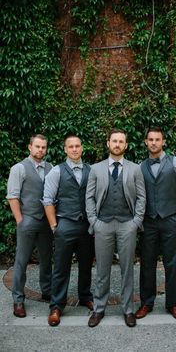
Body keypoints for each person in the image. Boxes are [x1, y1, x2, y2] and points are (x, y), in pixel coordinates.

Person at [86, 128, 146, 328]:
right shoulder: (95, 169)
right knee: (102, 270)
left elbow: (141, 198)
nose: (117, 144)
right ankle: (99, 309)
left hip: (126, 225)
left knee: (127, 269)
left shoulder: (135, 169)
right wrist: (94, 222)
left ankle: (128, 310)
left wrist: (135, 222)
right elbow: (89, 197)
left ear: (126, 145)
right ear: (108, 144)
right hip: (103, 224)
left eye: (121, 141)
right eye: (114, 141)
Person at [135, 127, 176, 321]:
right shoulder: (140, 166)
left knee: (172, 263)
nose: (154, 143)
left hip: (171, 220)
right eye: (150, 139)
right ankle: (146, 303)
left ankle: (172, 304)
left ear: (163, 142)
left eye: (157, 139)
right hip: (148, 222)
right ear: (145, 142)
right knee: (147, 263)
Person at [43, 134, 95, 327]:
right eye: (70, 146)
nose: (74, 149)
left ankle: (85, 296)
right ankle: (56, 306)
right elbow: (47, 199)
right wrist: (54, 226)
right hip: (64, 224)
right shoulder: (56, 171)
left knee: (86, 265)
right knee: (61, 267)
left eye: (77, 146)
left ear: (82, 148)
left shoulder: (91, 170)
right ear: (65, 149)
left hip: (86, 226)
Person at [7, 134, 53, 318]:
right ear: (29, 147)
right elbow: (12, 196)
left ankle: (47, 290)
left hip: (45, 222)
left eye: (43, 147)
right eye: (37, 146)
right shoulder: (19, 168)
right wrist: (20, 220)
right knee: (22, 260)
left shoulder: (50, 168)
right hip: (27, 220)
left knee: (47, 258)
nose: (40, 150)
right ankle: (18, 299)